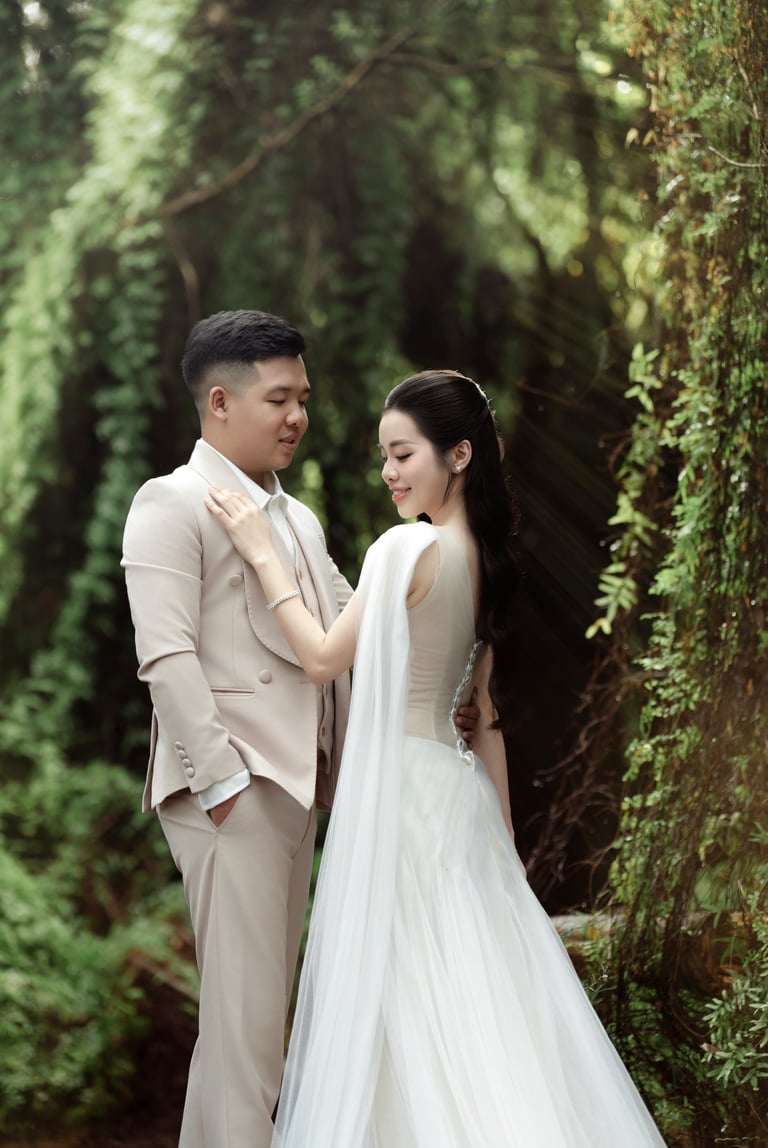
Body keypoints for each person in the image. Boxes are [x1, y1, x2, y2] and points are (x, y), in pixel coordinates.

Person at [205, 368, 669, 1148]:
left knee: (402, 999)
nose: (389, 473)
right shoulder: (485, 560)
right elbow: (484, 720)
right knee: (470, 996)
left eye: (403, 455)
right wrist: (505, 841)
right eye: (383, 457)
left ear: (459, 454)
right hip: (463, 799)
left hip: (404, 796)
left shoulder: (405, 547)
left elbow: (321, 658)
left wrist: (262, 555)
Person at [122, 312, 476, 1147]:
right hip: (235, 792)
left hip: (300, 789)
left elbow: (363, 623)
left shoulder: (298, 519)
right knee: (250, 1041)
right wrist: (222, 784)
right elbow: (165, 658)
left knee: (248, 1029)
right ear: (220, 401)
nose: (297, 417)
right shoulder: (169, 502)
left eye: (303, 399)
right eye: (279, 399)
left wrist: (447, 683)